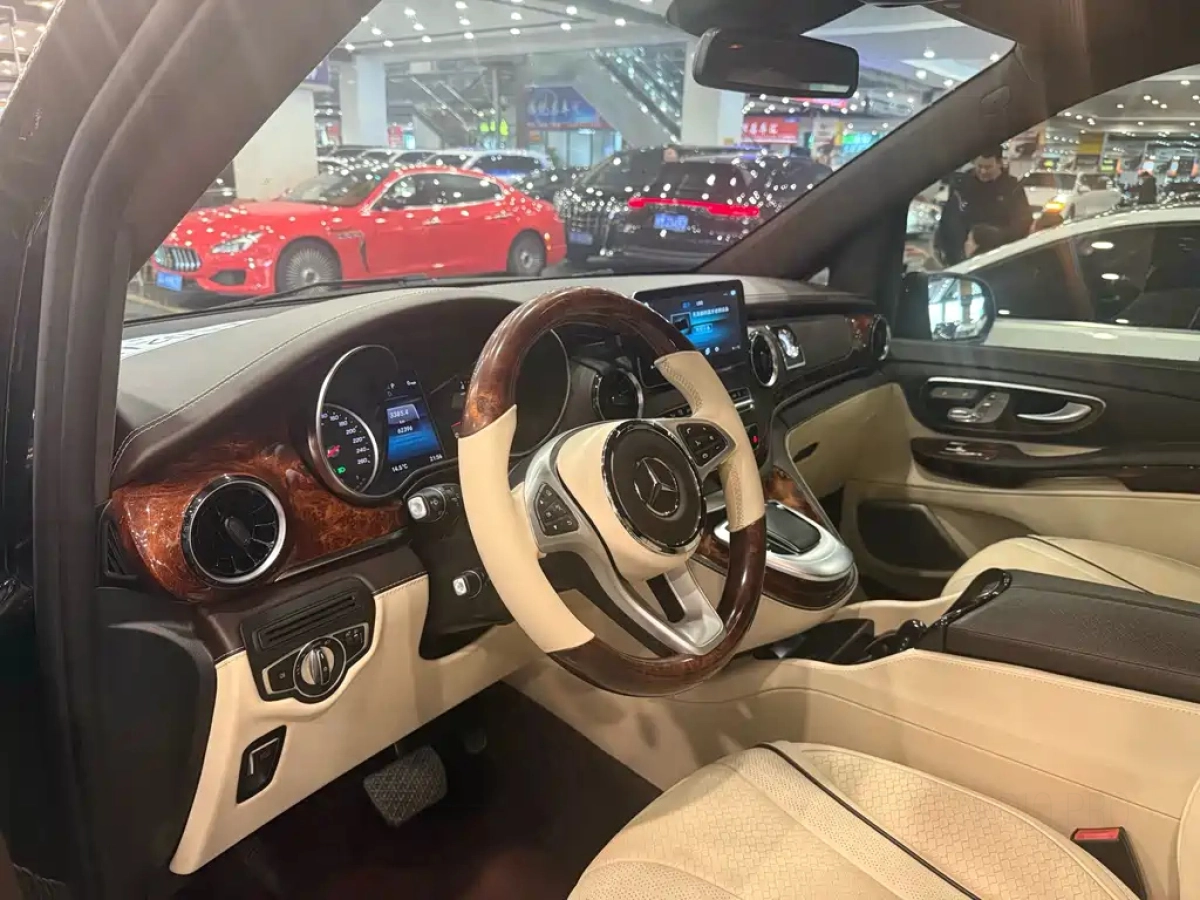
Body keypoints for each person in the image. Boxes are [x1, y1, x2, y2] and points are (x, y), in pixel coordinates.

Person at [934, 147, 1032, 266]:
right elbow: (949, 221)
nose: (983, 171)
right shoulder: (962, 187)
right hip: (963, 258)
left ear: (999, 163)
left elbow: (1022, 223)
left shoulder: (1012, 188)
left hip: (999, 255)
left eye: (988, 167)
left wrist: (994, 237)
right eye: (979, 166)